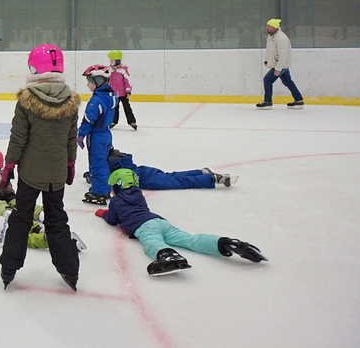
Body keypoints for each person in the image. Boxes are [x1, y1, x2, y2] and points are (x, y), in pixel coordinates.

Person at [0, 44, 81, 291]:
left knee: (21, 217)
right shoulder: (71, 100)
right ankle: (70, 269)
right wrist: (70, 162)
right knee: (57, 219)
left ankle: (9, 267)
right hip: (56, 173)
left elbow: (18, 137)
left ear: (34, 68)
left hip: (30, 174)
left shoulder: (27, 100)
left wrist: (9, 163)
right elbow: (71, 137)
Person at [94, 168, 268, 276]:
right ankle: (224, 243)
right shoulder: (138, 194)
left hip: (144, 226)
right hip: (160, 221)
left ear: (116, 185)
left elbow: (112, 219)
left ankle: (167, 255)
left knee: (152, 242)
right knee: (189, 239)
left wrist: (103, 213)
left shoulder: (116, 202)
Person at [87, 147, 236, 189]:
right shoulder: (114, 159)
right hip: (145, 171)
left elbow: (103, 176)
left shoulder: (111, 167)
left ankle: (213, 178)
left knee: (179, 182)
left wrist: (90, 177)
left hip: (146, 179)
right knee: (173, 176)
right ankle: (201, 171)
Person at [78, 64, 116, 205]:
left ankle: (99, 192)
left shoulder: (96, 100)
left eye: (90, 81)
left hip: (96, 136)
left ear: (98, 81)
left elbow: (88, 120)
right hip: (106, 133)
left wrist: (81, 135)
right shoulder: (111, 95)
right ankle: (105, 185)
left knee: (97, 163)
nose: (88, 84)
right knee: (103, 161)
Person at [257, 19, 304, 109]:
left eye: (269, 26)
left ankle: (267, 101)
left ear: (275, 27)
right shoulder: (272, 36)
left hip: (280, 65)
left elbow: (283, 55)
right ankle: (298, 99)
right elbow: (272, 51)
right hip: (279, 65)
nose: (267, 28)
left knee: (267, 80)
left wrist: (278, 69)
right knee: (287, 82)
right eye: (267, 26)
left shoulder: (281, 39)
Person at [107, 50, 137, 130]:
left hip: (123, 93)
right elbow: (107, 80)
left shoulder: (123, 69)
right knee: (114, 108)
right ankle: (113, 121)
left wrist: (128, 91)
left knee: (127, 107)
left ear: (117, 60)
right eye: (110, 60)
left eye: (112, 60)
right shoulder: (110, 69)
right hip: (113, 93)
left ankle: (131, 121)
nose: (110, 62)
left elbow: (127, 81)